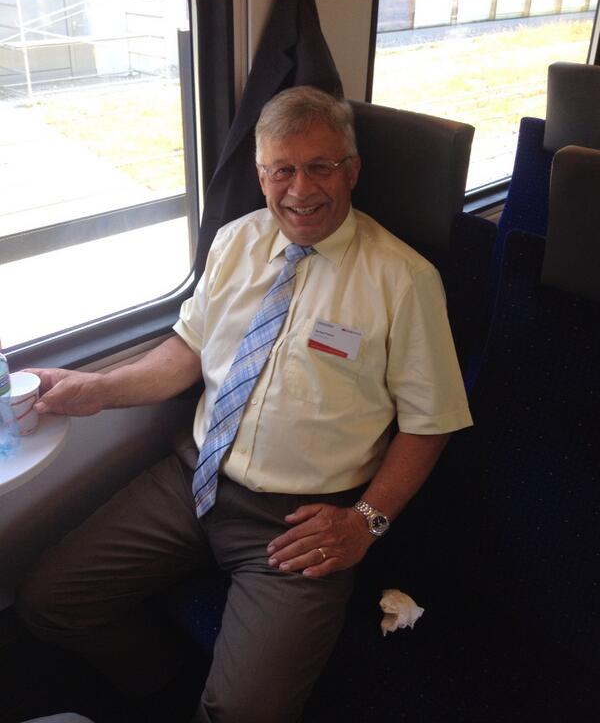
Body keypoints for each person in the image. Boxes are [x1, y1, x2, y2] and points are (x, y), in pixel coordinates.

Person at [18, 86, 473, 723]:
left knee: (243, 713)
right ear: (260, 176)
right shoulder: (235, 241)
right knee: (48, 603)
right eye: (281, 170)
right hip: (194, 479)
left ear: (352, 171)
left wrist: (363, 523)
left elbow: (431, 424)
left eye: (321, 166)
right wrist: (97, 389)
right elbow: (187, 351)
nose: (300, 189)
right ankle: (168, 684)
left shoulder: (404, 280)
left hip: (297, 522)